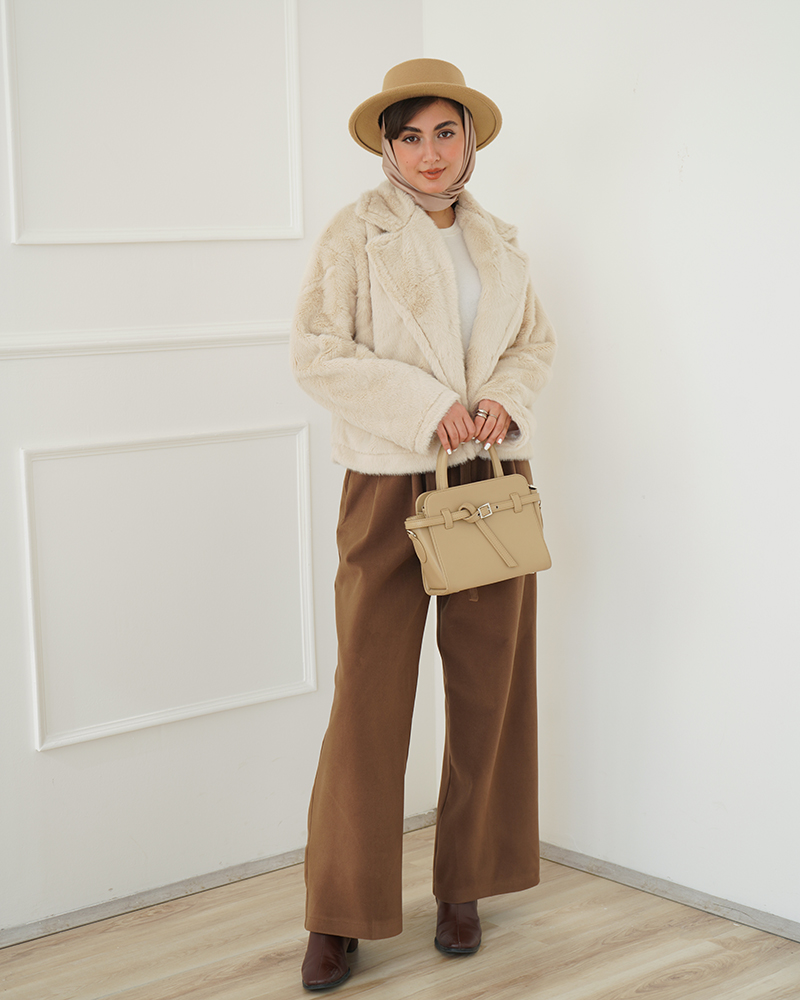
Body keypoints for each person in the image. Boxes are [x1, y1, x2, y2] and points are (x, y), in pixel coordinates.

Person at [290, 58, 556, 991]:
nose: (430, 153)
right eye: (411, 136)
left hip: (491, 477)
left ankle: (464, 886)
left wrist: (503, 400)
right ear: (388, 146)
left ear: (469, 139)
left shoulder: (501, 243)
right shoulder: (354, 234)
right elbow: (316, 352)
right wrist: (426, 406)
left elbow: (533, 342)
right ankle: (339, 913)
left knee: (489, 692)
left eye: (446, 133)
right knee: (367, 697)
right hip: (389, 483)